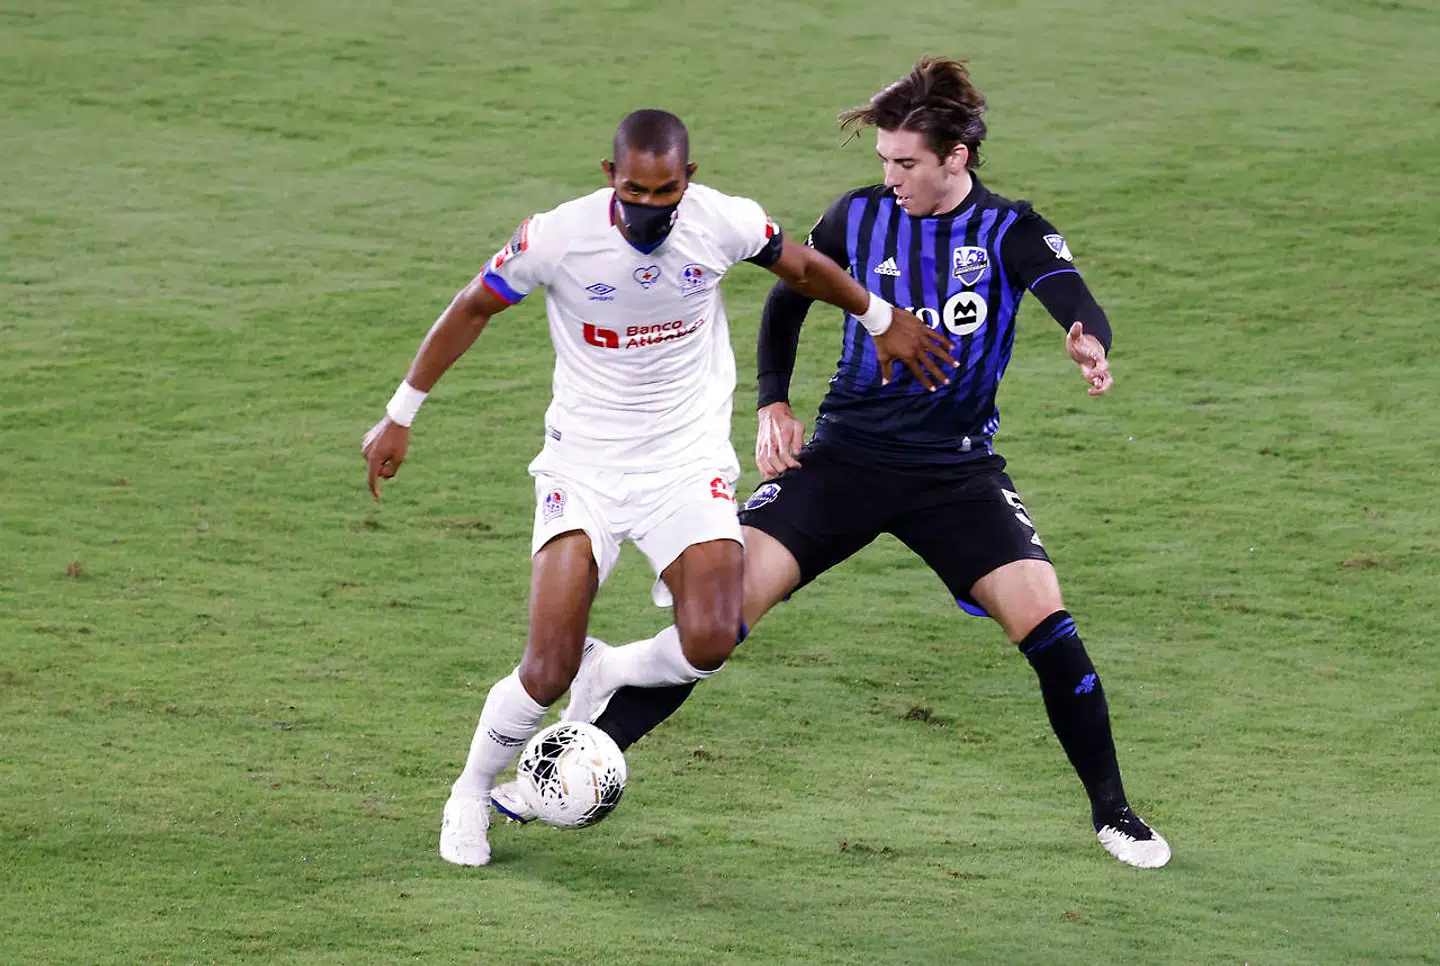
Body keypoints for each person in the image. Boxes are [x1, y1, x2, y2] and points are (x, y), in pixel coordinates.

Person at [492, 60, 1171, 869]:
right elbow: (787, 298)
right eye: (883, 160)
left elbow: (1068, 289)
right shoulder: (857, 217)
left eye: (907, 163)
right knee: (718, 620)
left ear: (957, 157)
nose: (890, 178)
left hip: (956, 473)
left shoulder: (1009, 231)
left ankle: (1114, 813)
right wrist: (774, 402)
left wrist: (1086, 338)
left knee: (1049, 624)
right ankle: (567, 763)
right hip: (844, 459)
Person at [361, 109, 953, 867]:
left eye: (665, 192)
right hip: (585, 468)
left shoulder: (721, 223)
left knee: (709, 640)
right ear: (610, 178)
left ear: (687, 180)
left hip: (684, 463)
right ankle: (470, 792)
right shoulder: (558, 238)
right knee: (546, 668)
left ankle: (610, 668)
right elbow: (475, 304)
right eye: (635, 191)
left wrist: (879, 317)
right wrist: (399, 415)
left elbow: (801, 268)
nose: (649, 209)